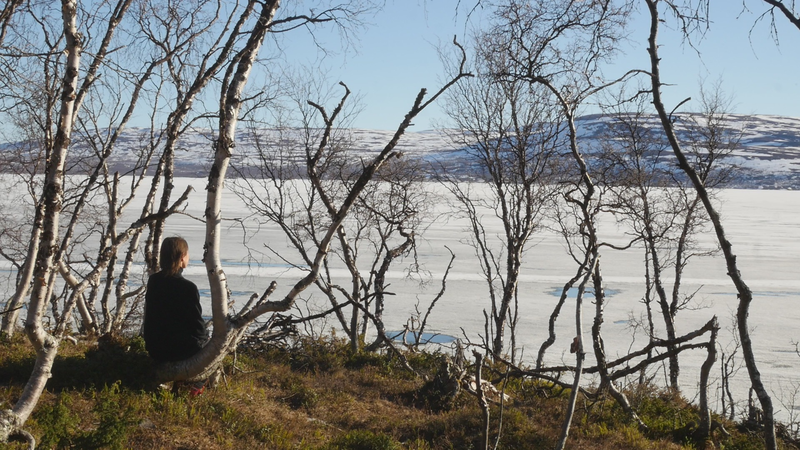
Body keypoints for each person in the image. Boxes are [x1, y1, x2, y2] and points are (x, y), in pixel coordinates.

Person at [143, 236, 206, 363]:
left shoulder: (154, 281)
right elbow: (197, 326)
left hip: (155, 348)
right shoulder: (188, 287)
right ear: (182, 257)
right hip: (179, 350)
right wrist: (205, 339)